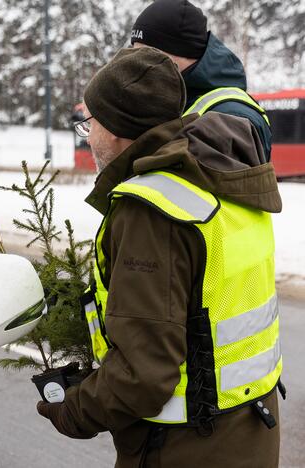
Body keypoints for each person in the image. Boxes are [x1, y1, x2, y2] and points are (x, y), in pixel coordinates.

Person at [36, 47, 283, 467]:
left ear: (116, 129)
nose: (89, 136)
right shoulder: (219, 172)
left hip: (188, 449)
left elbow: (143, 376)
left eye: (89, 124)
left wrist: (74, 410)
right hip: (251, 430)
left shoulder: (152, 211)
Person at [130, 0, 273, 163]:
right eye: (133, 53)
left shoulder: (232, 117)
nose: (137, 63)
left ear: (178, 52)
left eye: (145, 54)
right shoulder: (167, 98)